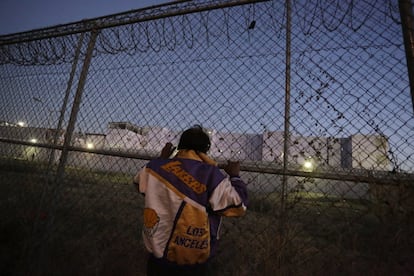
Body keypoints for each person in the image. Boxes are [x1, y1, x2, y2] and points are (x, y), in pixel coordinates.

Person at [133, 125, 248, 276]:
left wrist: (162, 159)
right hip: (193, 262)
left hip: (156, 260)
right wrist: (235, 176)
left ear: (180, 146)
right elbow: (238, 206)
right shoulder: (211, 174)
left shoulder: (154, 167)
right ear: (206, 149)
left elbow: (139, 184)